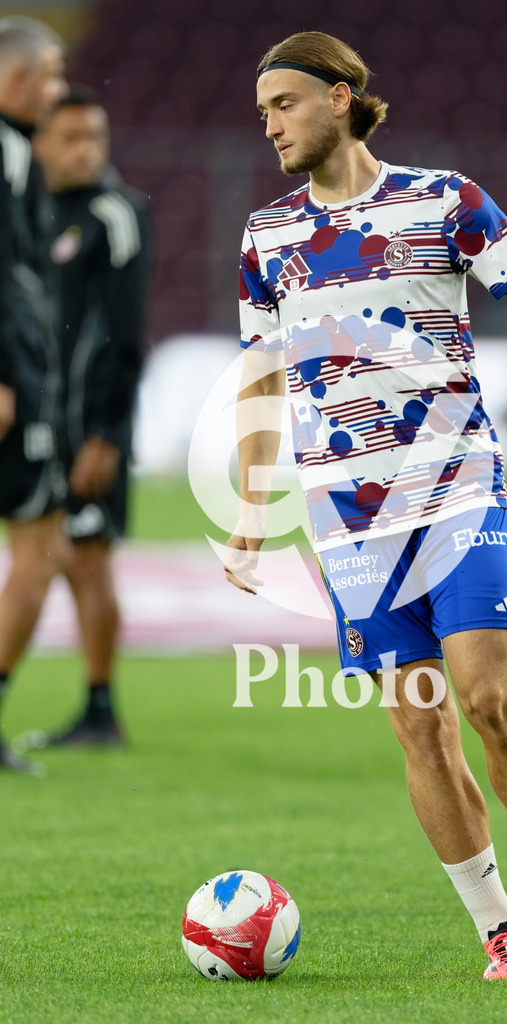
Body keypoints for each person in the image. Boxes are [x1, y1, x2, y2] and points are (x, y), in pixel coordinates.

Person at [225, 31, 507, 980]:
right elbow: (261, 377)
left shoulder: (443, 197)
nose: (270, 123)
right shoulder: (265, 237)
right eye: (263, 111)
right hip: (347, 516)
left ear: (343, 94)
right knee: (418, 725)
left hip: (455, 485)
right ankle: (497, 928)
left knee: (485, 698)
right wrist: (250, 510)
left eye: (284, 103)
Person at [21, 89, 149, 747]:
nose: (84, 151)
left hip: (90, 425)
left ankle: (101, 708)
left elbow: (127, 336)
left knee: (87, 560)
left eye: (93, 138)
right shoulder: (35, 212)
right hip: (42, 419)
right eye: (70, 139)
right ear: (40, 144)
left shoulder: (113, 215)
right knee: (61, 559)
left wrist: (108, 433)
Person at [0, 16, 68, 773]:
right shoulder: (9, 151)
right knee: (38, 546)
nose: (56, 91)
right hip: (14, 381)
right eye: (50, 75)